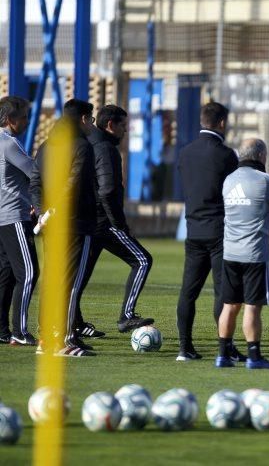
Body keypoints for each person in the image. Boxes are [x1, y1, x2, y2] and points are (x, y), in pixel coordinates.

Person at [76, 105, 154, 334]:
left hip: (88, 221)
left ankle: (74, 323)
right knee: (142, 260)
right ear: (110, 125)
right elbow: (108, 190)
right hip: (105, 222)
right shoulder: (106, 149)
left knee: (81, 274)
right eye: (123, 125)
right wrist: (119, 224)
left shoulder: (88, 144)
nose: (126, 130)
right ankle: (126, 316)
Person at [31, 98, 98, 356]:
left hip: (51, 225)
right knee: (70, 283)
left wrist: (41, 212)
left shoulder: (47, 146)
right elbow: (75, 182)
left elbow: (35, 183)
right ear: (82, 119)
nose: (92, 124)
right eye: (90, 119)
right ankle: (62, 340)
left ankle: (45, 339)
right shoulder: (82, 145)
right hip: (76, 224)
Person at [216, 139, 269, 369]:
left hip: (230, 252)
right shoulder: (265, 181)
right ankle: (254, 357)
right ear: (260, 156)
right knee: (252, 307)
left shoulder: (228, 180)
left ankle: (222, 355)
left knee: (229, 305)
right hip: (255, 254)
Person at [175, 102, 239, 361]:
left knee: (188, 291)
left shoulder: (185, 152)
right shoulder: (226, 155)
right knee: (222, 291)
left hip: (193, 230)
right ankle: (225, 348)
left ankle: (184, 348)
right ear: (222, 122)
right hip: (219, 231)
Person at [0, 96, 39, 346]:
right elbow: (35, 172)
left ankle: (2, 329)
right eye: (24, 116)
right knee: (28, 273)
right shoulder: (10, 144)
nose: (26, 121)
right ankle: (20, 331)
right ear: (10, 119)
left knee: (7, 273)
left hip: (2, 218)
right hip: (14, 215)